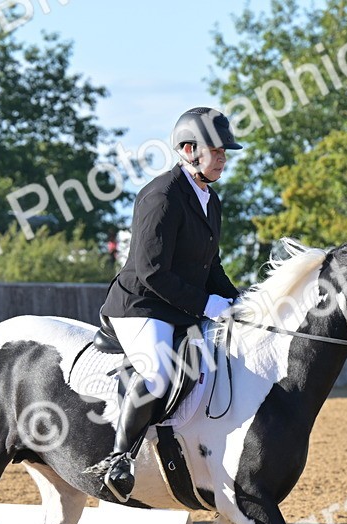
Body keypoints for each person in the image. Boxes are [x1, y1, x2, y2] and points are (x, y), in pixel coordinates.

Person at [92, 107, 243, 501]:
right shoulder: (161, 195)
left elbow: (211, 264)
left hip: (180, 305)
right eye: (218, 150)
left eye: (226, 151)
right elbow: (151, 271)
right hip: (142, 304)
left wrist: (237, 299)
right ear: (190, 150)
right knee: (157, 371)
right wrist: (206, 304)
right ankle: (119, 459)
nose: (224, 157)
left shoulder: (210, 199)